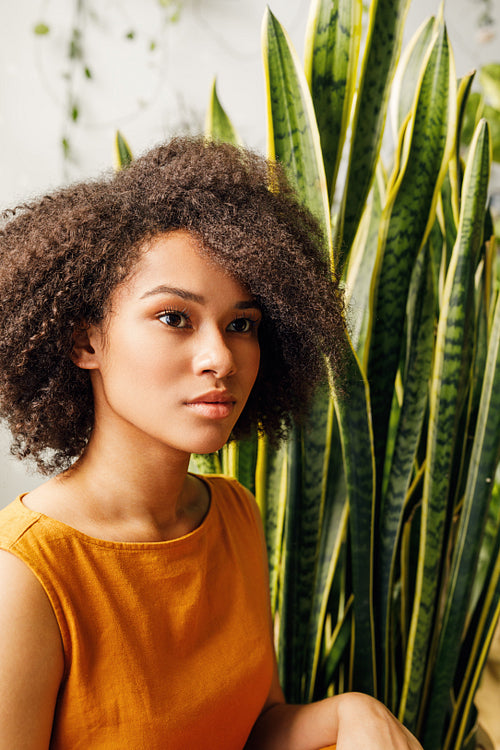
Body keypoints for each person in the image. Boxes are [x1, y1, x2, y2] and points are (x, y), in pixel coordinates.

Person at [0, 136, 422, 749]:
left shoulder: (232, 515)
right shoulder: (27, 580)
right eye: (175, 317)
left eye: (241, 325)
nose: (220, 357)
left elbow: (251, 730)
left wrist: (350, 713)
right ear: (84, 341)